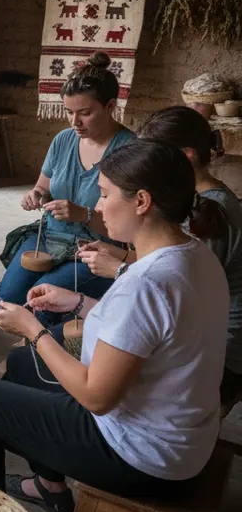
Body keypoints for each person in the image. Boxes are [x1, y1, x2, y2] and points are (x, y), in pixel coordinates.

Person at [0, 139, 229, 512]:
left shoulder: (147, 282)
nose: (97, 207)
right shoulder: (195, 255)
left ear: (142, 201)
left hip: (140, 457)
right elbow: (152, 332)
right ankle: (49, 486)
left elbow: (97, 398)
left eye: (104, 195)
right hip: (182, 439)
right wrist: (77, 303)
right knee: (20, 364)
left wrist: (33, 329)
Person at [79, 106, 242, 408]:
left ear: (187, 156)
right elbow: (167, 263)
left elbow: (179, 285)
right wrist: (119, 254)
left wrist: (117, 268)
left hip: (222, 345)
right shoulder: (196, 203)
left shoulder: (214, 213)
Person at [0, 52, 134, 319]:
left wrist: (83, 214)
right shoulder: (63, 140)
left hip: (95, 248)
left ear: (109, 106)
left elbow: (129, 230)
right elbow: (43, 186)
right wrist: (36, 194)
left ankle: (44, 348)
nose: (75, 122)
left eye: (85, 113)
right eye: (69, 112)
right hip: (52, 236)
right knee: (9, 295)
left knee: (40, 299)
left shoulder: (129, 150)